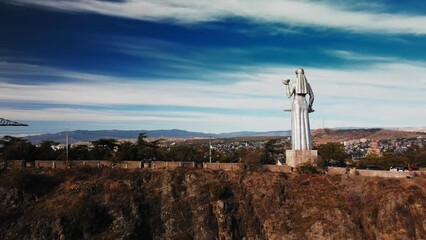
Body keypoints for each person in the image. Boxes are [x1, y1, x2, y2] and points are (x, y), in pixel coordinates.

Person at [282, 68, 315, 150]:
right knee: (305, 124)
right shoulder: (307, 85)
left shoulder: (295, 84)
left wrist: (286, 85)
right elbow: (312, 96)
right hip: (304, 103)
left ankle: (297, 147)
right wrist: (310, 106)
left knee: (297, 124)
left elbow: (289, 95)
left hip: (296, 103)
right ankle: (306, 147)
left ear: (297, 75)